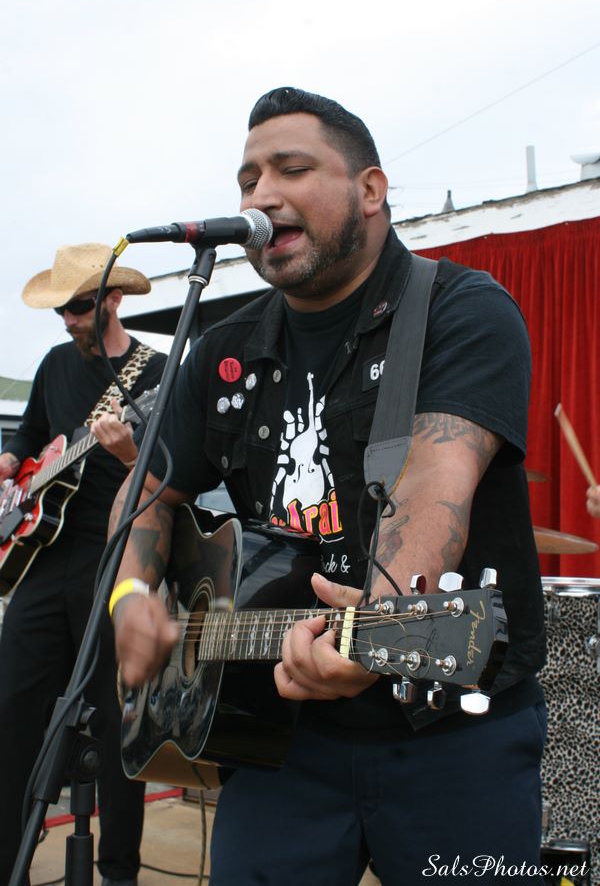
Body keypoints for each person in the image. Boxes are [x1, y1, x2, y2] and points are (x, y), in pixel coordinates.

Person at [109, 89, 547, 885]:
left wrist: (379, 628)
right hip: (276, 744)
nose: (261, 195)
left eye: (291, 169)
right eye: (248, 180)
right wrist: (131, 597)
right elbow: (147, 494)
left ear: (370, 190)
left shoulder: (461, 311)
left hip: (452, 729)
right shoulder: (223, 351)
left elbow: (435, 479)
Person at [0, 243, 166, 886]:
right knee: (12, 711)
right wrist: (11, 466)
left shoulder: (156, 373)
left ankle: (118, 871)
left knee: (117, 723)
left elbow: (169, 476)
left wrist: (127, 454)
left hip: (113, 558)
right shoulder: (53, 364)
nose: (69, 320)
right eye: (61, 311)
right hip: (42, 562)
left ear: (112, 301)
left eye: (79, 307)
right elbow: (29, 436)